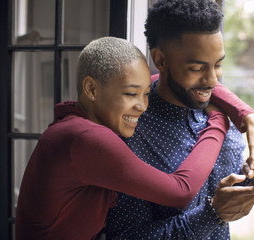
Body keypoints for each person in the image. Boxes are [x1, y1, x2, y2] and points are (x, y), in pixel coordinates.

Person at [105, 0, 254, 239]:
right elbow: (126, 236)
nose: (213, 81)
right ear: (161, 61)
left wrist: (250, 175)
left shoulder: (225, 117)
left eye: (218, 64)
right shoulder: (129, 133)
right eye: (197, 68)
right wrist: (212, 213)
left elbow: (222, 193)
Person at [15, 36, 238, 240]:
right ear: (91, 89)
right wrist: (218, 120)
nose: (142, 106)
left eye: (146, 94)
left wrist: (245, 113)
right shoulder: (88, 139)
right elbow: (181, 191)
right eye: (131, 94)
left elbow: (165, 80)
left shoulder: (73, 127)